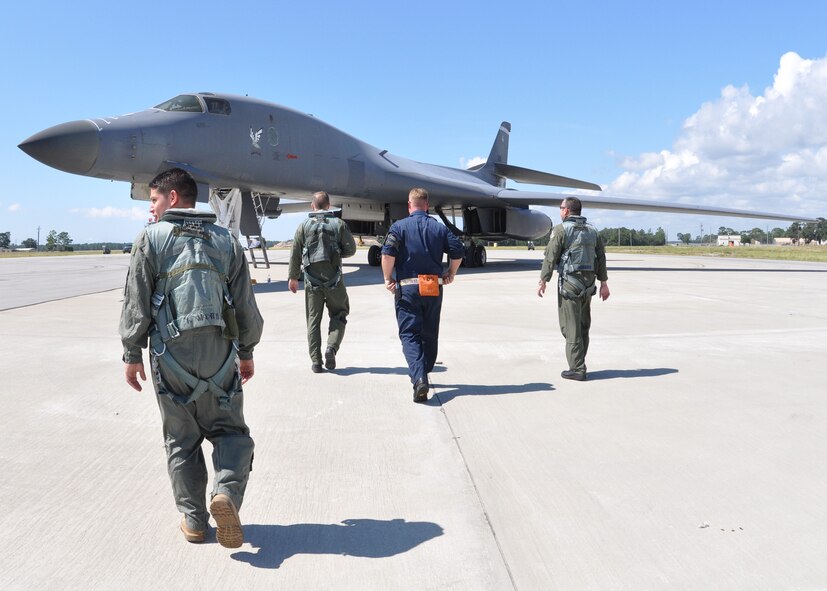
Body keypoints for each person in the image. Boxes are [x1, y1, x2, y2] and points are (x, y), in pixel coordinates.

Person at [120, 168, 263, 548]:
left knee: (181, 441)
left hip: (170, 358)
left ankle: (195, 521)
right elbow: (246, 305)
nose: (151, 208)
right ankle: (227, 494)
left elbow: (137, 301)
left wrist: (132, 352)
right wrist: (246, 352)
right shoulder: (226, 240)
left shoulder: (150, 239)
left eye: (154, 200)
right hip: (221, 357)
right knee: (230, 432)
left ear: (173, 198)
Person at [381, 188, 465, 402]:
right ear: (427, 205)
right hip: (432, 286)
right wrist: (451, 273)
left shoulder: (398, 227)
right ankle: (424, 372)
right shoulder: (439, 228)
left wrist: (387, 278)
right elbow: (457, 250)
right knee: (429, 333)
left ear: (410, 205)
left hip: (408, 286)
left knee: (410, 334)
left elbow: (388, 253)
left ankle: (419, 378)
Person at [537, 196, 610, 381]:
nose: (560, 210)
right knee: (584, 325)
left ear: (567, 211)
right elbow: (601, 258)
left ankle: (577, 368)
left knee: (570, 327)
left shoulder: (561, 230)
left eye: (561, 208)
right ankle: (580, 362)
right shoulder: (593, 230)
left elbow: (550, 257)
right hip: (588, 285)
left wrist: (543, 280)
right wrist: (604, 283)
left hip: (570, 284)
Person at [288, 191, 357, 373]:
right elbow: (351, 249)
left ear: (313, 206)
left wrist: (293, 277)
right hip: (334, 280)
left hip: (312, 283)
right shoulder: (339, 224)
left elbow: (295, 253)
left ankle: (316, 362)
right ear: (328, 205)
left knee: (313, 320)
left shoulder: (303, 226)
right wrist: (338, 254)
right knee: (340, 314)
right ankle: (331, 348)